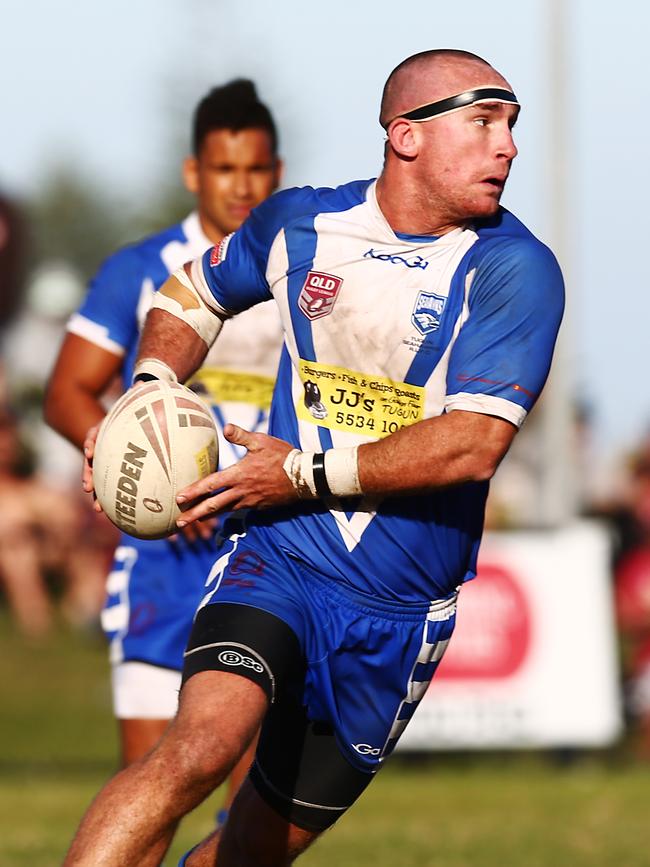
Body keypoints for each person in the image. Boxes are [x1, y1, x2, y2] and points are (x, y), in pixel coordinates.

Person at [64, 49, 565, 867]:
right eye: (483, 122)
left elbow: (475, 443)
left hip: (400, 615)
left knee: (249, 854)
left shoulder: (516, 269)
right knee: (197, 748)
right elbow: (191, 293)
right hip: (280, 557)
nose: (507, 146)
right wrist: (147, 387)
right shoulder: (303, 225)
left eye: (510, 125)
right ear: (405, 136)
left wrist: (298, 469)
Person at [44, 79, 283, 819]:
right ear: (194, 173)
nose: (241, 187)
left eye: (256, 170)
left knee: (251, 797)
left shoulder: (300, 275)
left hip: (268, 550)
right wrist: (137, 467)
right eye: (224, 170)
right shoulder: (141, 269)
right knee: (152, 785)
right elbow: (67, 393)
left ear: (277, 172)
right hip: (161, 559)